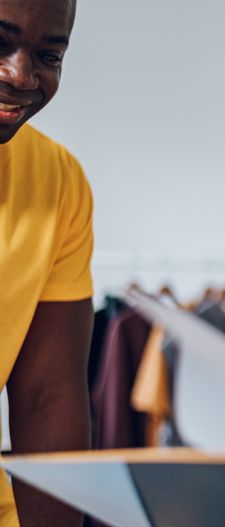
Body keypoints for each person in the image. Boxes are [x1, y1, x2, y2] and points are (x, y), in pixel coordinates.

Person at [0, 0, 93, 525]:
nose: (21, 75)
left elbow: (46, 396)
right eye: (0, 44)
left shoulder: (58, 183)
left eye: (48, 55)